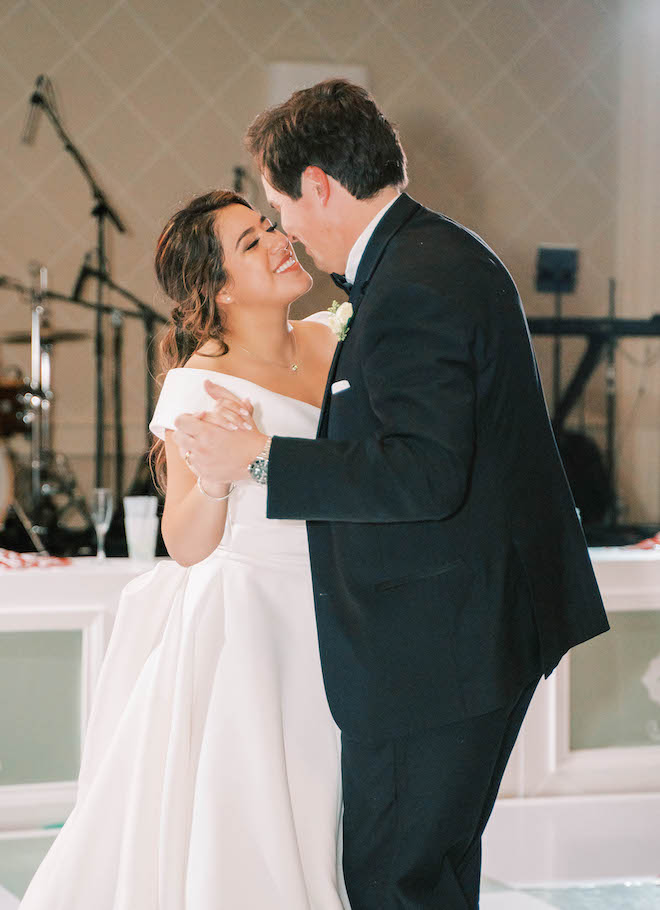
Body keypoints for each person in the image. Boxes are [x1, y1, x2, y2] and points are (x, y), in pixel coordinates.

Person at [174, 80, 610, 910]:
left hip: (435, 644)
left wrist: (261, 455)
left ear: (319, 187)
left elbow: (423, 472)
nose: (284, 230)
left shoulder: (414, 280)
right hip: (459, 631)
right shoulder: (430, 257)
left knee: (395, 883)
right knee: (431, 875)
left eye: (278, 204)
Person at [19, 190, 351, 909]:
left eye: (270, 227)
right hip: (255, 622)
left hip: (345, 603)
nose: (278, 242)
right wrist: (217, 473)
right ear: (222, 288)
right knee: (259, 817)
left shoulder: (334, 338)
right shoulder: (200, 382)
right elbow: (185, 543)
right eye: (252, 242)